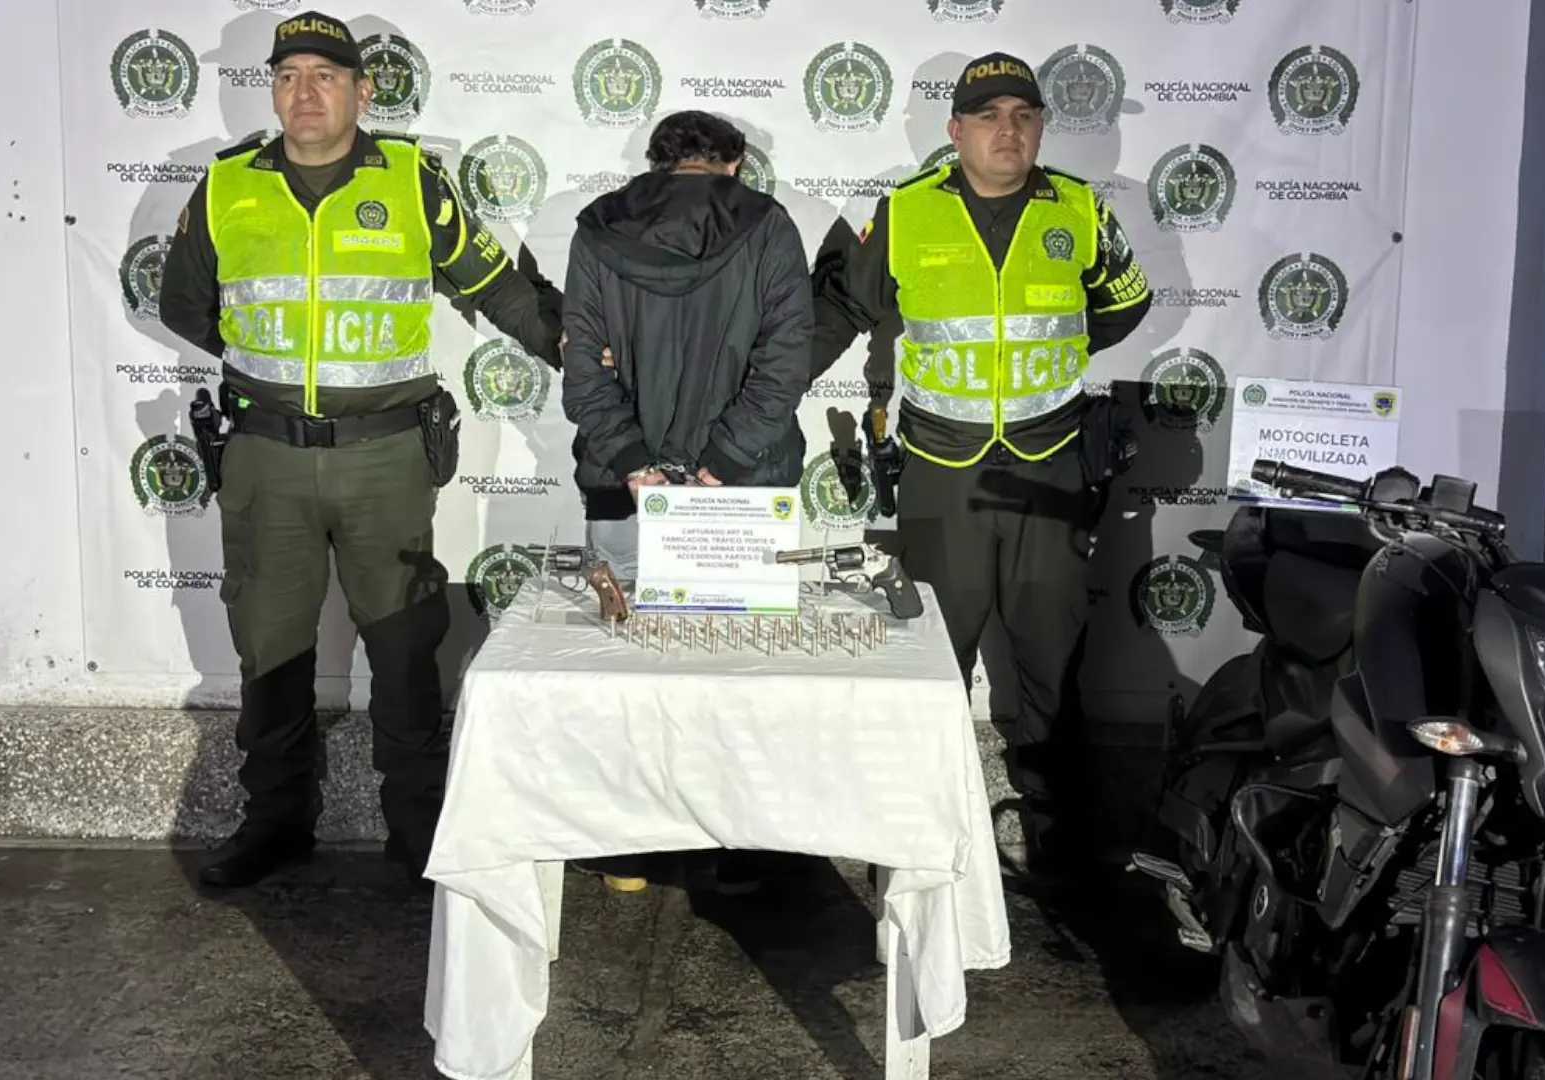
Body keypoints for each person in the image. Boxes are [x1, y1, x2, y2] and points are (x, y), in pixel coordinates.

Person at [157, 10, 564, 891]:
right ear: (271, 87)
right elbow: (184, 304)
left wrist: (580, 351)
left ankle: (419, 831)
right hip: (265, 454)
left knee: (404, 647)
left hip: (386, 457)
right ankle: (275, 820)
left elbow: (500, 289)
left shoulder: (415, 179)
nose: (305, 92)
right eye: (288, 74)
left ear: (362, 90)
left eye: (326, 76)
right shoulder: (227, 186)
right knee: (269, 646)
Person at [808, 51, 1152, 878]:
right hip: (940, 467)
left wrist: (1047, 361)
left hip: (1048, 465)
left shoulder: (1081, 208)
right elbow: (842, 307)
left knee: (1052, 655)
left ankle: (1060, 839)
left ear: (1040, 126)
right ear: (955, 130)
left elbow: (1123, 304)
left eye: (1023, 116)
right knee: (933, 653)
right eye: (989, 117)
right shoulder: (904, 211)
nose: (1009, 131)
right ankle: (912, 836)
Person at [560, 109, 814, 894]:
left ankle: (627, 852)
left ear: (655, 166)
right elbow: (785, 359)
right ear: (734, 165)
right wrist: (720, 467)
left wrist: (637, 465)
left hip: (621, 482)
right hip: (745, 486)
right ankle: (734, 847)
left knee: (622, 672)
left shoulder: (597, 229)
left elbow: (582, 371)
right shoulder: (770, 226)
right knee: (737, 672)